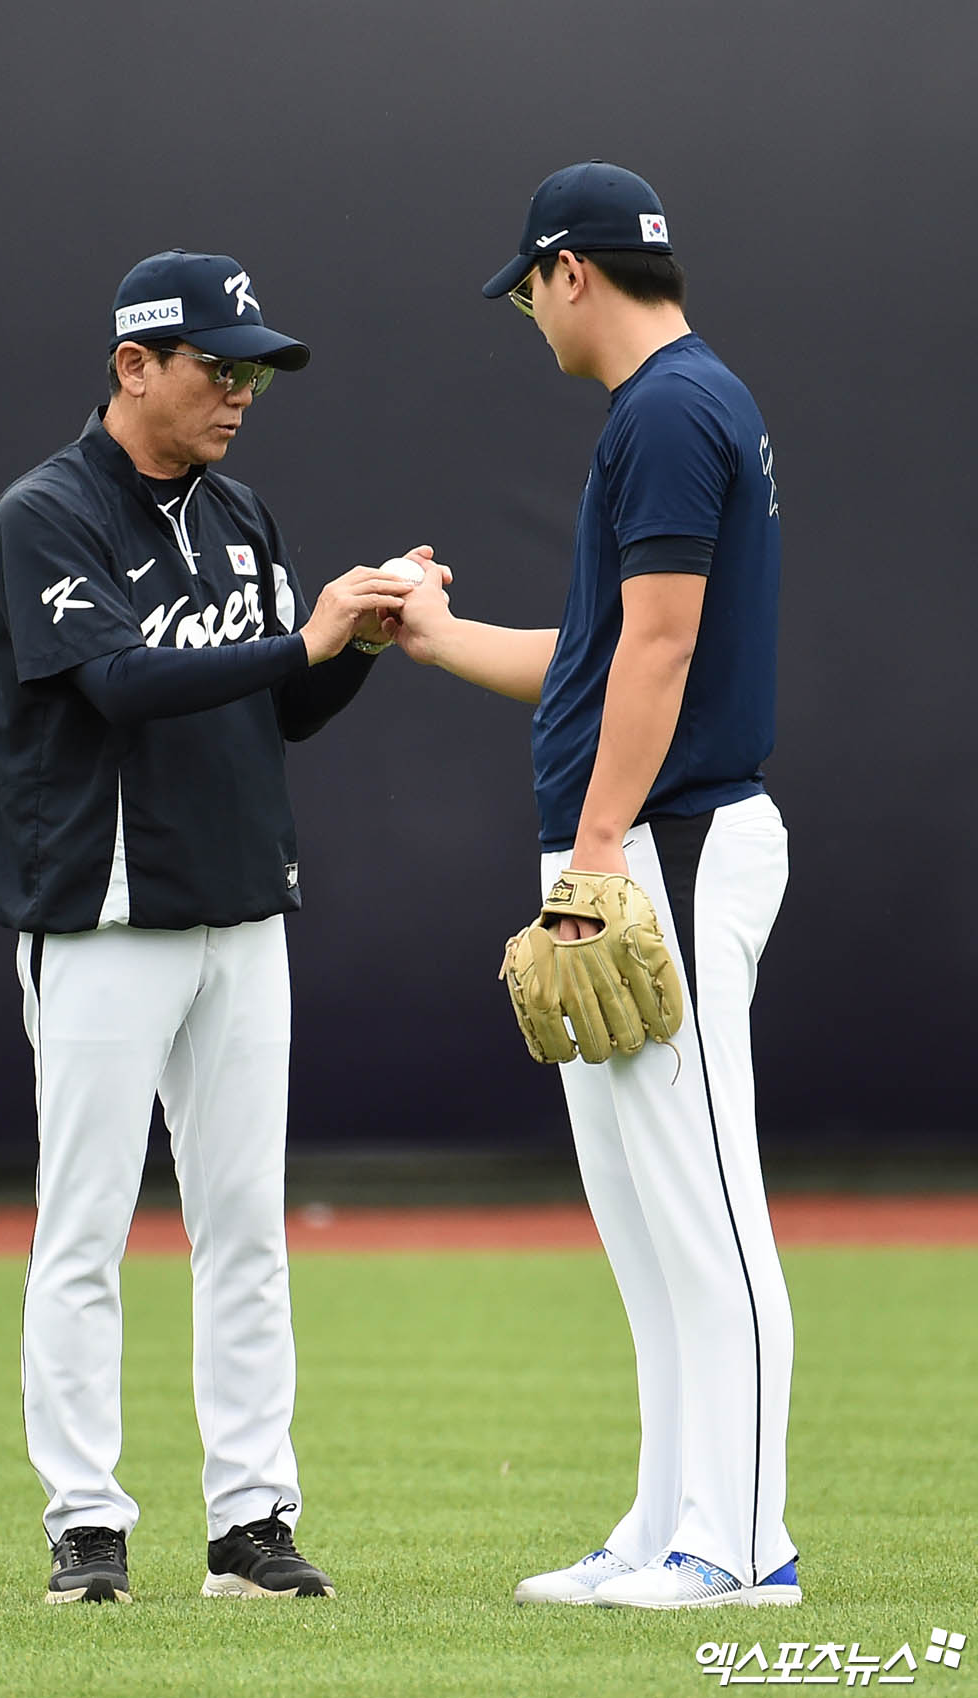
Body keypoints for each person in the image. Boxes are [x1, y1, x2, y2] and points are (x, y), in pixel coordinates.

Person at [0, 248, 421, 1604]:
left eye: (255, 369)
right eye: (216, 366)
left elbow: (282, 710)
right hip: (106, 914)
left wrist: (355, 644)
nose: (242, 390)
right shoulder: (47, 512)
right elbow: (115, 682)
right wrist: (310, 638)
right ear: (133, 366)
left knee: (245, 1226)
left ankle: (249, 1521)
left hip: (243, 908)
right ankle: (86, 1524)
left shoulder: (242, 514)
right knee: (87, 1227)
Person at [389, 163, 800, 1610]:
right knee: (641, 1212)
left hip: (668, 841)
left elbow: (664, 647)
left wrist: (604, 846)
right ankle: (670, 1518)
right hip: (631, 840)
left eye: (526, 287)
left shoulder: (676, 407)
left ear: (573, 269)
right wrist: (431, 636)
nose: (528, 315)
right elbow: (589, 659)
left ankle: (743, 1545)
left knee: (707, 1208)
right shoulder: (668, 411)